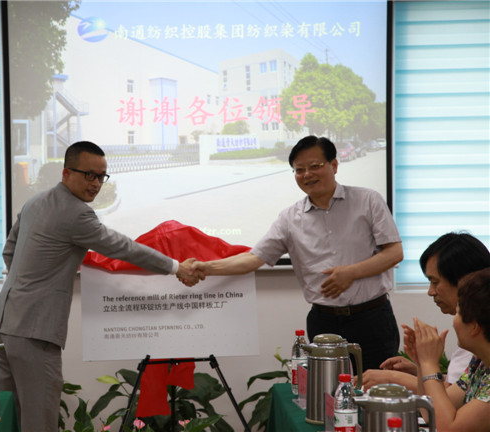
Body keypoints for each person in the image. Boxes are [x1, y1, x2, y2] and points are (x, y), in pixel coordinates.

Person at [0, 141, 199, 432]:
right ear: (66, 173)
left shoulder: (35, 201)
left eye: (102, 176)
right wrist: (177, 267)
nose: (97, 184)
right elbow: (123, 247)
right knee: (39, 420)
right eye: (89, 175)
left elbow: (9, 251)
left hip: (5, 323)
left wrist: (27, 287)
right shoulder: (76, 213)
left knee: (8, 417)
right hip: (34, 330)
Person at [192, 135, 403, 372]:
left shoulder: (368, 200)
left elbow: (394, 252)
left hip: (372, 318)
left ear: (334, 165)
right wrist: (206, 267)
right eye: (299, 170)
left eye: (315, 166)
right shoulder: (289, 218)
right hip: (324, 322)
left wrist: (351, 272)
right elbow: (254, 258)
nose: (307, 174)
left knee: (378, 384)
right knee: (328, 391)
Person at [362, 232, 490, 391]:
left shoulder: (477, 339)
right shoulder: (475, 354)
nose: (430, 292)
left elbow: (449, 399)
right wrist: (419, 370)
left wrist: (393, 378)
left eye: (435, 282)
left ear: (465, 280)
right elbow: (463, 386)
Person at [404, 268, 490, 432]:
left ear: (474, 326)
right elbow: (431, 412)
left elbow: (448, 428)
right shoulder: (479, 363)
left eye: (457, 312)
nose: (453, 321)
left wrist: (430, 363)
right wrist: (422, 363)